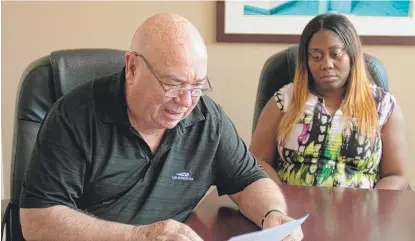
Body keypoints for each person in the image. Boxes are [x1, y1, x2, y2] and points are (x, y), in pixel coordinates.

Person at [19, 13, 303, 241]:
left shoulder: (207, 120)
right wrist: (138, 236)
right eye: (172, 84)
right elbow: (37, 219)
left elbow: (249, 179)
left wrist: (272, 213)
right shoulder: (75, 116)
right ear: (132, 68)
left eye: (197, 86)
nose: (186, 101)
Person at [250, 13, 409, 190]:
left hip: (360, 212)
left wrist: (372, 209)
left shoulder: (383, 106)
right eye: (316, 57)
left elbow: (396, 176)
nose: (327, 64)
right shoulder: (284, 100)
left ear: (352, 56)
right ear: (306, 61)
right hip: (290, 211)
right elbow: (257, 160)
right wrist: (280, 199)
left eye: (336, 54)